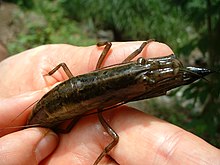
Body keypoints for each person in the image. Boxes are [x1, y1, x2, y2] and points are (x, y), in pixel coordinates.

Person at [0, 41, 219, 165]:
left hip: (64, 99)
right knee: (110, 137)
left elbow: (109, 48)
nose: (144, 61)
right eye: (143, 61)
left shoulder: (133, 65)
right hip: (52, 110)